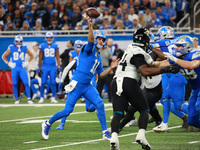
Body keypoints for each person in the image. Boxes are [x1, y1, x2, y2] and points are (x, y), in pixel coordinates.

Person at [41, 15, 120, 140]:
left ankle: (105, 132)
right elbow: (90, 40)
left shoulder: (98, 56)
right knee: (67, 111)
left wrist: (111, 68)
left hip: (88, 85)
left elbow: (102, 74)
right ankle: (47, 123)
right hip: (77, 84)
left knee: (100, 104)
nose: (100, 41)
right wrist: (90, 26)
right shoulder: (88, 48)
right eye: (98, 39)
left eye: (102, 39)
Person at [109, 28, 180, 150]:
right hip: (128, 81)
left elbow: (153, 63)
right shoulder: (138, 52)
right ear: (146, 41)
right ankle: (141, 135)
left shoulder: (130, 48)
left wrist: (172, 64)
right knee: (144, 109)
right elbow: (144, 71)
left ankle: (114, 139)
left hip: (115, 82)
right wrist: (165, 70)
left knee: (117, 113)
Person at [156, 35, 200, 128]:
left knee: (198, 107)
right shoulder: (177, 57)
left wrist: (175, 59)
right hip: (195, 89)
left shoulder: (195, 54)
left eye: (180, 46)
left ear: (187, 46)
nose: (177, 48)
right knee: (192, 120)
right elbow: (160, 64)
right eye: (177, 45)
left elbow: (192, 65)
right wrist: (147, 62)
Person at [152, 26, 188, 132]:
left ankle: (192, 116)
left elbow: (156, 52)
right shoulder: (177, 42)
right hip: (174, 71)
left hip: (175, 73)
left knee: (178, 104)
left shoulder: (162, 42)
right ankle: (165, 123)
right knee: (165, 97)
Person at [56, 55, 97, 130]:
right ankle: (61, 123)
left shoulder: (77, 58)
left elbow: (67, 68)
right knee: (93, 106)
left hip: (77, 84)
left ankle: (61, 124)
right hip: (87, 85)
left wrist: (62, 80)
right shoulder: (94, 58)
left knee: (68, 107)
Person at [2, 35, 34, 104]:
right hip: (15, 68)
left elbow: (32, 55)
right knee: (15, 83)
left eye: (20, 42)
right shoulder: (11, 48)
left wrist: (27, 62)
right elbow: (3, 56)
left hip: (22, 68)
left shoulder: (24, 47)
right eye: (17, 41)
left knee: (26, 83)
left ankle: (29, 98)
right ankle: (17, 98)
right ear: (15, 41)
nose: (19, 43)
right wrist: (8, 63)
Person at [38, 31, 60, 104]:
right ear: (46, 38)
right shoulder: (42, 46)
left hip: (52, 66)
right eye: (48, 37)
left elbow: (57, 56)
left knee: (53, 82)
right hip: (45, 66)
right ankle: (41, 97)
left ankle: (53, 97)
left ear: (52, 38)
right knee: (43, 82)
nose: (49, 39)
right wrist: (39, 67)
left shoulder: (55, 46)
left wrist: (59, 66)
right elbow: (40, 57)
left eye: (50, 37)